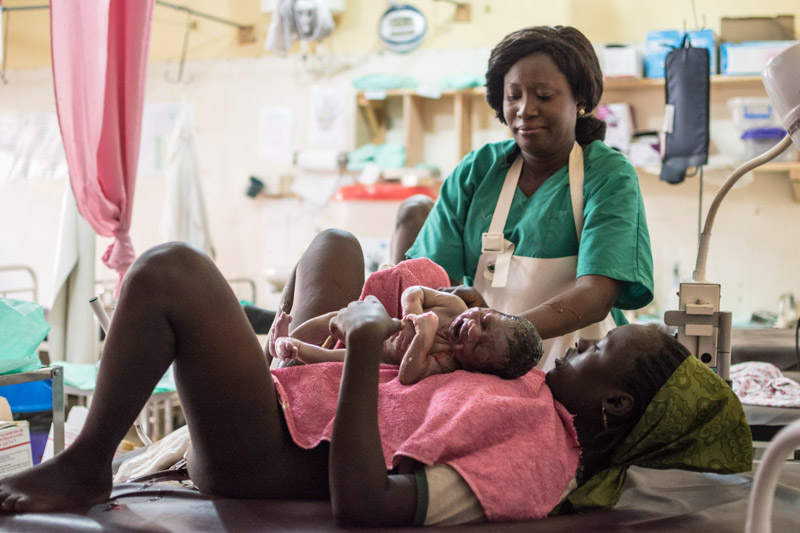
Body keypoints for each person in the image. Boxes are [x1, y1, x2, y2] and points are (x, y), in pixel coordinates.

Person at [0, 230, 751, 526]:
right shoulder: (530, 392)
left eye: (594, 352)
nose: (577, 348)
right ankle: (275, 352)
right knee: (335, 244)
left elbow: (366, 503)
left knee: (171, 271)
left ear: (615, 406)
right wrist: (427, 324)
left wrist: (364, 349)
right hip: (307, 396)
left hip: (267, 455)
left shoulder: (537, 454)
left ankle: (87, 461)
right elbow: (416, 395)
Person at [396, 26, 655, 370]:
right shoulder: (479, 169)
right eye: (513, 96)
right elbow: (435, 279)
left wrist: (507, 332)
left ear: (579, 100)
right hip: (483, 366)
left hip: (576, 370)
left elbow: (597, 293)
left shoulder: (608, 174)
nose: (525, 109)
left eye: (544, 96)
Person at [269, 282, 543, 385]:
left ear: (477, 369)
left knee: (332, 359)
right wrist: (412, 314)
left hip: (377, 355)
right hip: (383, 324)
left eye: (479, 346)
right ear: (487, 308)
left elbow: (408, 375)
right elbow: (415, 291)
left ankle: (292, 348)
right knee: (334, 317)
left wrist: (424, 336)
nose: (474, 329)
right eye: (484, 320)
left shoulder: (448, 361)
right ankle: (288, 335)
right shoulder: (455, 306)